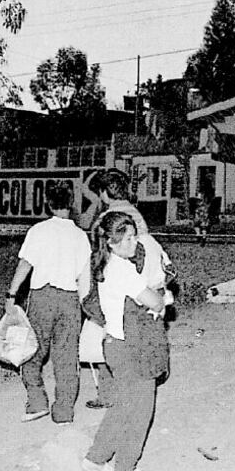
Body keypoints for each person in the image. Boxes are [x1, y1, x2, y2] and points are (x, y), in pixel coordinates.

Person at [80, 212, 166, 471]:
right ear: (112, 242)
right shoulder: (124, 269)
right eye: (127, 238)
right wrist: (162, 295)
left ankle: (95, 459)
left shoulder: (102, 265)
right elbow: (155, 302)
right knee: (141, 409)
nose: (134, 243)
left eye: (133, 236)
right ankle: (125, 468)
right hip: (132, 346)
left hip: (114, 343)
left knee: (123, 406)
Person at [4, 181, 92, 424]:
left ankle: (36, 401)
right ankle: (63, 410)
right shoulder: (80, 236)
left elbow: (25, 264)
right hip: (70, 299)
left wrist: (11, 295)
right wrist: (85, 308)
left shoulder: (38, 231)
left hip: (43, 297)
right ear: (72, 204)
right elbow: (85, 278)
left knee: (32, 349)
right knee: (66, 356)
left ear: (48, 203)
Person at [85, 168, 151, 410]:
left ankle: (107, 394)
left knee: (107, 336)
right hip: (137, 285)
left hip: (115, 285)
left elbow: (96, 251)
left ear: (104, 193)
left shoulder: (109, 219)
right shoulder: (136, 214)